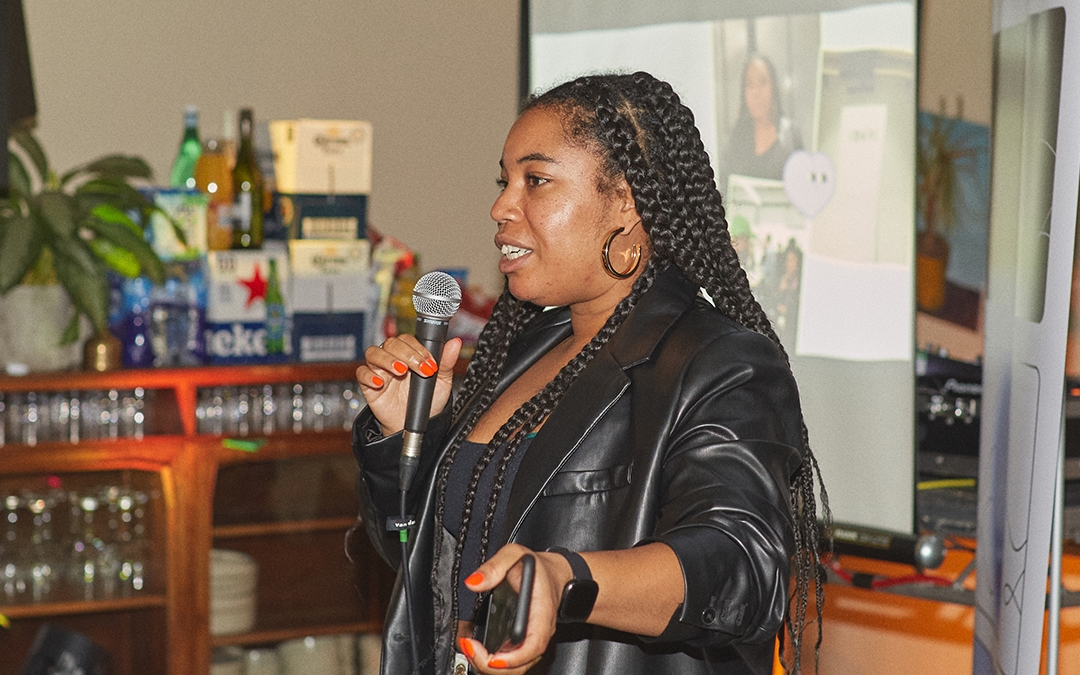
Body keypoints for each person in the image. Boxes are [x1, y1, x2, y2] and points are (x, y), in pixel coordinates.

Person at [352, 71, 828, 675]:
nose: (501, 207)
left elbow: (740, 566)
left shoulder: (721, 364)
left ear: (625, 200)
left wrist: (566, 579)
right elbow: (428, 560)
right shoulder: (525, 351)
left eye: (536, 180)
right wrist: (404, 440)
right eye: (504, 182)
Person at [719, 54, 803, 189]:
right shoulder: (735, 141)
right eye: (750, 85)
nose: (756, 93)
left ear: (773, 87)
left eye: (763, 82)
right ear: (744, 93)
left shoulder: (791, 135)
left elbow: (803, 187)